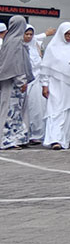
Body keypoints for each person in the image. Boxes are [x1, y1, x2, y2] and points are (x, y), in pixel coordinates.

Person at [38, 22, 70, 150]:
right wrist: (45, 85)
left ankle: (62, 140)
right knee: (55, 111)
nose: (69, 37)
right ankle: (54, 139)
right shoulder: (53, 48)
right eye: (67, 34)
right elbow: (46, 68)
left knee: (68, 112)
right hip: (56, 84)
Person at [0, 16, 34, 149]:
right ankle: (7, 140)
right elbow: (17, 64)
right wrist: (22, 81)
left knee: (15, 111)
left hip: (9, 81)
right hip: (15, 83)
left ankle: (17, 138)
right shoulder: (16, 42)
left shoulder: (8, 40)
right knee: (11, 111)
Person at [23, 26, 49, 144]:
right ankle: (25, 133)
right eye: (26, 34)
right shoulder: (20, 47)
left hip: (38, 81)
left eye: (31, 34)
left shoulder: (36, 46)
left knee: (38, 108)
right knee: (26, 108)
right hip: (24, 82)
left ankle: (36, 134)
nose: (29, 36)